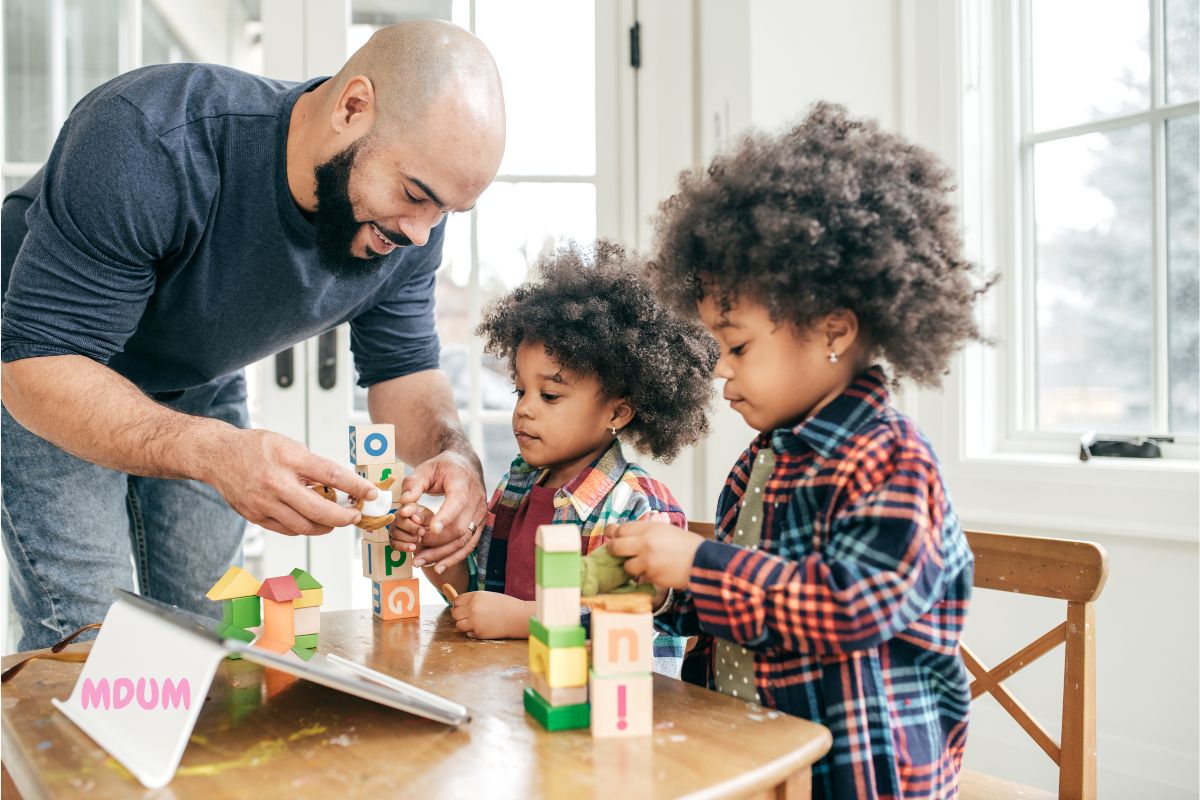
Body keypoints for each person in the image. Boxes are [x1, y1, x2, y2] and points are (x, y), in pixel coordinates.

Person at [0, 20, 504, 650]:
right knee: (88, 642)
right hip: (49, 366)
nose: (422, 234)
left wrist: (455, 451)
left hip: (196, 379)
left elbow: (402, 373)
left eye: (445, 213)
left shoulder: (408, 226)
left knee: (207, 633)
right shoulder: (150, 137)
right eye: (415, 195)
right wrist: (214, 452)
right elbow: (33, 368)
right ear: (353, 108)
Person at [609, 103, 992, 798]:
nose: (721, 369)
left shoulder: (889, 457)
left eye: (740, 346)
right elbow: (742, 601)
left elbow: (850, 607)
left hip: (859, 775)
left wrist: (700, 561)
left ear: (833, 330)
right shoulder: (763, 460)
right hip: (753, 754)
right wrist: (665, 583)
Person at [393, 241, 717, 675]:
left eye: (549, 395)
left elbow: (633, 626)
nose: (524, 408)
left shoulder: (638, 507)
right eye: (519, 390)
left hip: (603, 711)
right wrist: (439, 552)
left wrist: (521, 619)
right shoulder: (516, 488)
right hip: (515, 697)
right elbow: (480, 591)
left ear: (617, 411)